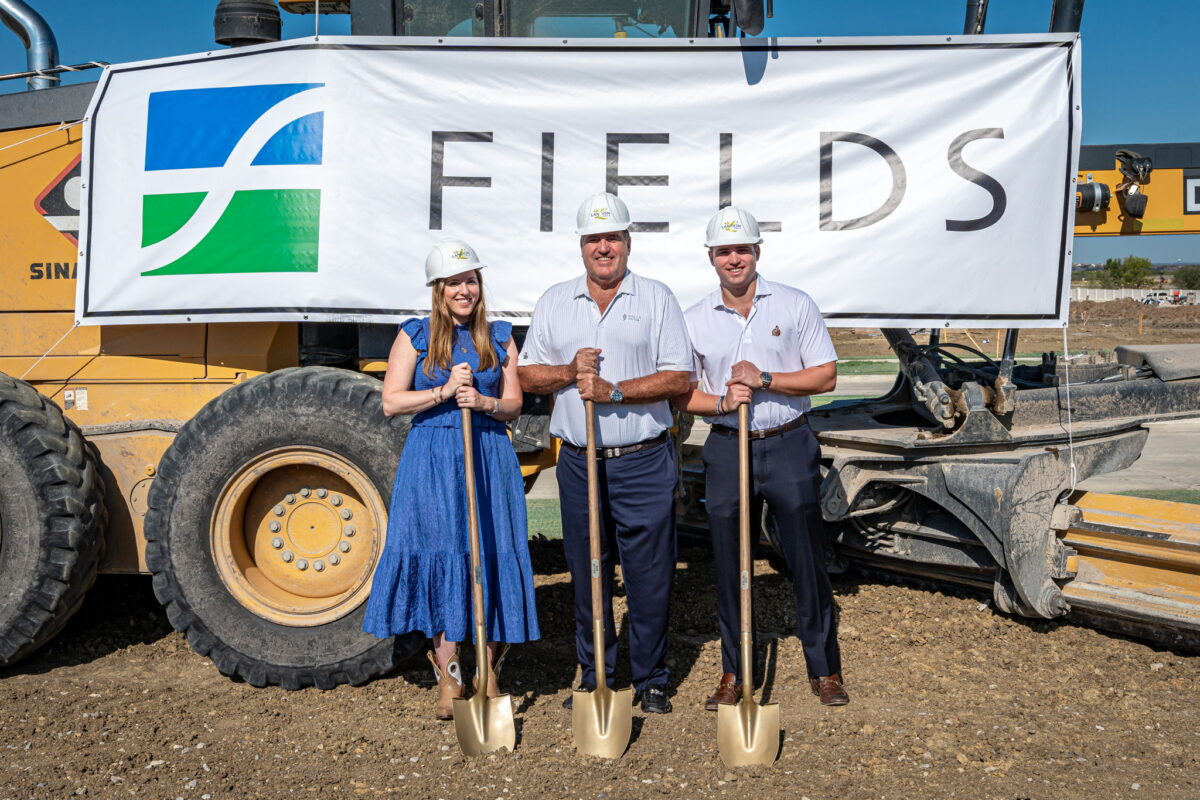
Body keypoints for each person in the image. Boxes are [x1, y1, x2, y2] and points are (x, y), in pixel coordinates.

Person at [517, 192, 692, 714]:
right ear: (581, 246)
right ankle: (596, 674)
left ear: (627, 243)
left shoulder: (656, 298)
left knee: (649, 574)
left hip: (642, 459)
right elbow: (527, 374)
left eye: (612, 237)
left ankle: (651, 677)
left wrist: (613, 391)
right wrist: (570, 372)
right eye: (594, 239)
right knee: (588, 570)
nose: (603, 248)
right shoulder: (555, 301)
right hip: (580, 461)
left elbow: (679, 376)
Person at [674, 206, 849, 709]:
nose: (734, 259)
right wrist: (722, 402)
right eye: (723, 251)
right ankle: (735, 670)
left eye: (742, 249)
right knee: (731, 564)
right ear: (711, 257)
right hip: (728, 446)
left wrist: (766, 379)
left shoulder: (794, 304)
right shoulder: (694, 319)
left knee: (806, 559)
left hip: (788, 442)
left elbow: (825, 376)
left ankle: (825, 667)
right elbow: (682, 394)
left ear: (756, 252)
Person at [363, 239, 539, 720]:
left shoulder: (499, 337)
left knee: (492, 551)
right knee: (443, 552)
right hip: (433, 457)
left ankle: (490, 669)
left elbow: (514, 404)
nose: (465, 290)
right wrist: (444, 391)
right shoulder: (416, 336)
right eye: (454, 283)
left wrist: (483, 402)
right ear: (438, 289)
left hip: (487, 451)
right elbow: (391, 401)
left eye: (471, 281)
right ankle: (450, 674)